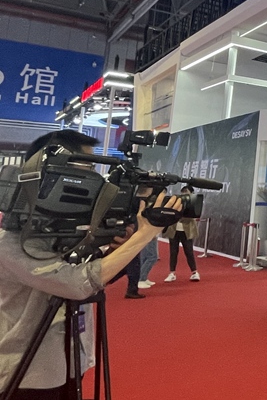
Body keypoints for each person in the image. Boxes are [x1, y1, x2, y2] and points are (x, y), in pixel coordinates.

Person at [0, 130, 183, 397]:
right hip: (27, 370)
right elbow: (76, 284)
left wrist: (112, 250)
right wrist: (146, 234)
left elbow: (95, 278)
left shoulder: (68, 232)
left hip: (73, 357)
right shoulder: (11, 243)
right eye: (86, 169)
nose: (94, 179)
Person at [163, 185, 201, 283]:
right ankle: (172, 273)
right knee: (173, 252)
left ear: (191, 193)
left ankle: (194, 272)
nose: (184, 195)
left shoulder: (195, 203)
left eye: (186, 192)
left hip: (187, 231)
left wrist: (181, 215)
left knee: (189, 251)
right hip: (174, 230)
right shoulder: (176, 201)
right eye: (183, 193)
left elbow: (193, 216)